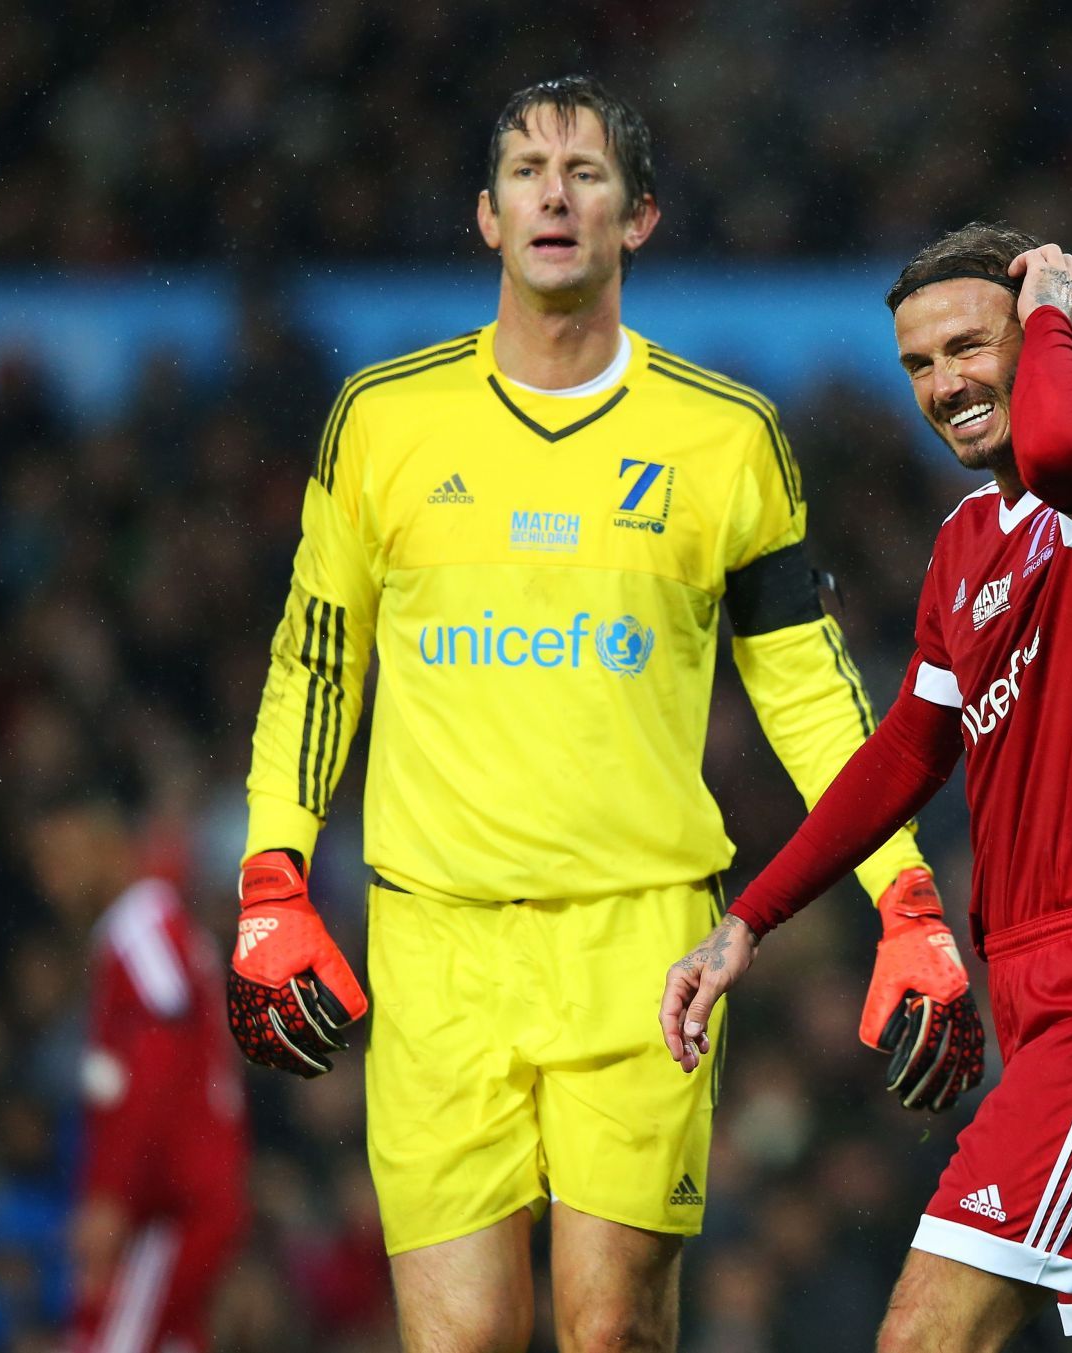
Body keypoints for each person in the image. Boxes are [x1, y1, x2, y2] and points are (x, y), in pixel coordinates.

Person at [225, 76, 981, 1353]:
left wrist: (904, 899)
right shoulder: (383, 423)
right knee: (459, 1341)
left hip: (643, 950)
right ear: (485, 216)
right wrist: (270, 873)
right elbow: (317, 662)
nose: (555, 193)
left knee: (612, 1331)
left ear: (639, 220)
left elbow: (810, 689)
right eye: (527, 170)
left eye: (586, 174)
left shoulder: (727, 440)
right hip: (437, 944)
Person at [663, 223, 1072, 1352]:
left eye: (968, 348)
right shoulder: (966, 542)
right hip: (1039, 988)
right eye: (918, 366)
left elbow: (1071, 456)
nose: (943, 386)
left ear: (1041, 336)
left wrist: (1048, 321)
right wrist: (751, 918)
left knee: (927, 1337)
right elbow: (904, 757)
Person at [24, 788, 248, 1353]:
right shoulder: (151, 927)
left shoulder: (141, 930)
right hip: (180, 1197)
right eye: (44, 864)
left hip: (167, 1209)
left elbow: (158, 1056)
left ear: (111, 848)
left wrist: (111, 1196)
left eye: (66, 857)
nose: (54, 881)